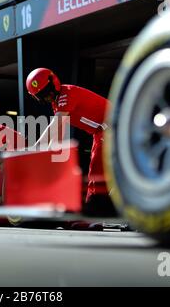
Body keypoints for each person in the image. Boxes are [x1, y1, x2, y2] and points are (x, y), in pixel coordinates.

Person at [26, 68, 116, 216]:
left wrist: (33, 150)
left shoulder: (67, 94)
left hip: (112, 125)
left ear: (53, 83)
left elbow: (54, 126)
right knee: (99, 169)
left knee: (97, 170)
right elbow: (55, 136)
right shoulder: (56, 102)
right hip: (103, 129)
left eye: (47, 91)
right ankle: (98, 210)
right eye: (41, 95)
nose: (47, 96)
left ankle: (95, 212)